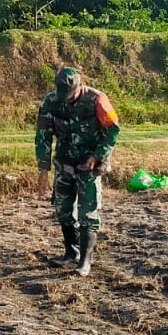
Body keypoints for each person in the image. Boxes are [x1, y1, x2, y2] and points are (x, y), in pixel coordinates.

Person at [35, 66, 120, 276]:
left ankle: (85, 261)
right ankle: (70, 252)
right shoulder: (51, 101)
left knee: (87, 213)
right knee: (62, 210)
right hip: (64, 163)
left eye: (70, 94)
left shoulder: (97, 99)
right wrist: (43, 170)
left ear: (79, 86)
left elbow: (113, 129)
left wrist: (97, 155)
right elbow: (43, 135)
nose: (66, 99)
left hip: (89, 165)